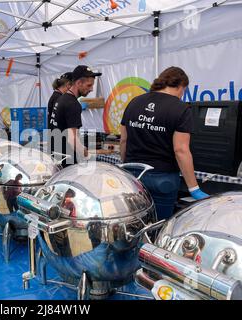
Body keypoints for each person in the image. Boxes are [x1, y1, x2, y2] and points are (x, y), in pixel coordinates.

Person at [120, 66, 209, 221]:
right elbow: (180, 150)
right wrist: (194, 188)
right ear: (180, 86)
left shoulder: (134, 102)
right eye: (184, 90)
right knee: (158, 226)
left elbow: (123, 140)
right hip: (162, 178)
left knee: (133, 224)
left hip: (132, 175)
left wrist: (126, 165)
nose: (182, 95)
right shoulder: (180, 108)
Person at [49, 65, 110, 167]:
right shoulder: (72, 104)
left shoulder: (61, 98)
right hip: (66, 159)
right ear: (78, 83)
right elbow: (72, 139)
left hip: (57, 154)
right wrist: (86, 154)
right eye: (89, 85)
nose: (91, 89)